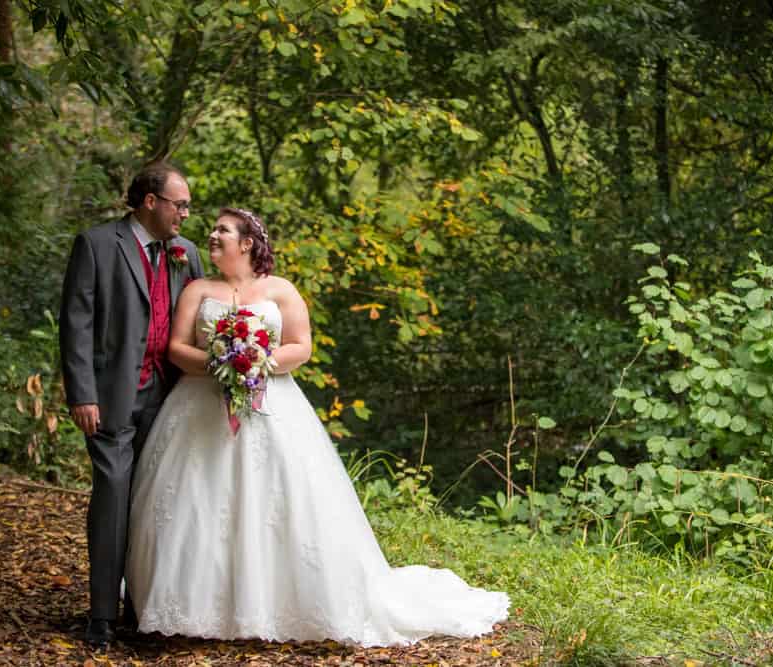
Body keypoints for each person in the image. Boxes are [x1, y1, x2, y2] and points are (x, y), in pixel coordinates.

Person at [125, 207, 509, 645]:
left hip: (271, 404)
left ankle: (272, 605)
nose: (211, 236)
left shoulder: (280, 290)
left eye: (222, 231)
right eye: (213, 230)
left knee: (273, 502)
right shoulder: (197, 290)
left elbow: (301, 346)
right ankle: (194, 609)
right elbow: (176, 348)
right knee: (196, 502)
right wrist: (220, 364)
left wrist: (258, 364)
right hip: (198, 407)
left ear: (247, 243)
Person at [59, 162, 205, 647]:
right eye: (178, 204)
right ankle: (101, 615)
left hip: (172, 399)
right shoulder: (98, 245)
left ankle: (142, 608)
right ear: (150, 202)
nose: (184, 213)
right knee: (113, 496)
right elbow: (76, 323)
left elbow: (204, 321)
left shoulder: (188, 255)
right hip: (114, 396)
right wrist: (82, 392)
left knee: (157, 503)